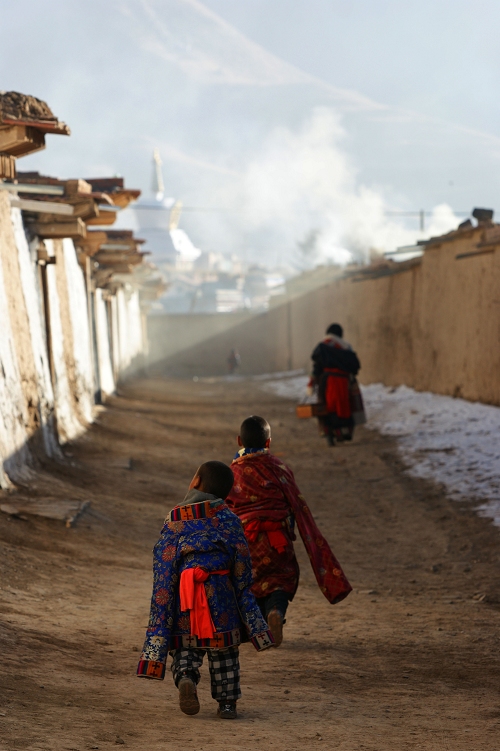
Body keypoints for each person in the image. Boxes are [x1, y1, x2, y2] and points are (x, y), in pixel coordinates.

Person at [137, 460, 274, 720]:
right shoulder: (229, 519)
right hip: (221, 593)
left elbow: (164, 563)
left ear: (196, 482)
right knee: (225, 652)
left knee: (186, 648)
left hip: (185, 595)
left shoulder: (174, 519)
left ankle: (186, 677)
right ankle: (227, 704)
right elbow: (242, 563)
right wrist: (244, 598)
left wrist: (163, 605)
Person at [226, 416, 352, 647]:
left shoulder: (232, 473)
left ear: (238, 441)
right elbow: (297, 504)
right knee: (281, 579)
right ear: (269, 443)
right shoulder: (279, 468)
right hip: (277, 541)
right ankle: (276, 612)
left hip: (245, 542)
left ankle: (260, 626)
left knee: (248, 581)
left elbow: (225, 509)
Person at [310, 323, 361, 446]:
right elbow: (354, 366)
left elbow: (317, 366)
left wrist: (313, 380)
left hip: (327, 382)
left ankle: (328, 433)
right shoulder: (346, 347)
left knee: (327, 406)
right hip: (344, 382)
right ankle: (343, 432)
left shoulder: (323, 346)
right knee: (345, 405)